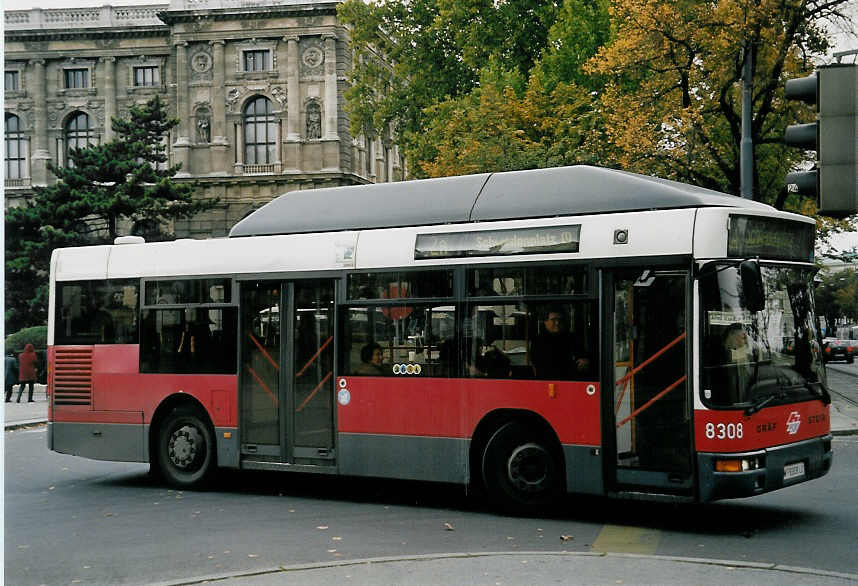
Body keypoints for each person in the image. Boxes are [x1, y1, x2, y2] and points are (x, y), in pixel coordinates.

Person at [530, 308, 589, 379]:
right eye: (553, 320)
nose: (557, 323)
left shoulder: (571, 338)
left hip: (568, 381)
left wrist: (583, 362)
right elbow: (535, 363)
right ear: (545, 321)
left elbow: (581, 358)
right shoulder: (538, 340)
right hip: (544, 381)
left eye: (560, 319)